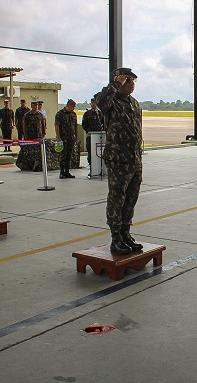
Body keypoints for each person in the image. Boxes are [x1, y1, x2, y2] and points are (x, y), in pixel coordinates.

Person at [95, 68, 144, 255]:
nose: (132, 84)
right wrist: (115, 84)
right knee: (117, 198)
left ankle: (126, 234)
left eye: (133, 81)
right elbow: (100, 102)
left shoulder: (134, 103)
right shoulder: (110, 100)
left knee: (131, 198)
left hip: (134, 158)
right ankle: (116, 238)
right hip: (118, 159)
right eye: (128, 80)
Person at [54, 99, 77, 179]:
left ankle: (67, 172)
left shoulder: (73, 114)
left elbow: (75, 126)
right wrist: (58, 137)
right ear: (69, 106)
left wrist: (75, 135)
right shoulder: (60, 114)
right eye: (73, 107)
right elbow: (56, 126)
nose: (73, 109)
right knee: (63, 156)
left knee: (69, 155)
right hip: (63, 138)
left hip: (70, 138)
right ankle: (62, 172)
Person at [81, 95, 105, 172]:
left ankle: (100, 169)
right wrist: (89, 131)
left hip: (99, 136)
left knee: (99, 153)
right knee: (91, 153)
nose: (93, 104)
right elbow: (84, 124)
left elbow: (104, 123)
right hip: (91, 137)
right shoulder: (87, 114)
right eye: (92, 103)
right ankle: (92, 170)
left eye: (94, 102)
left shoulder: (100, 113)